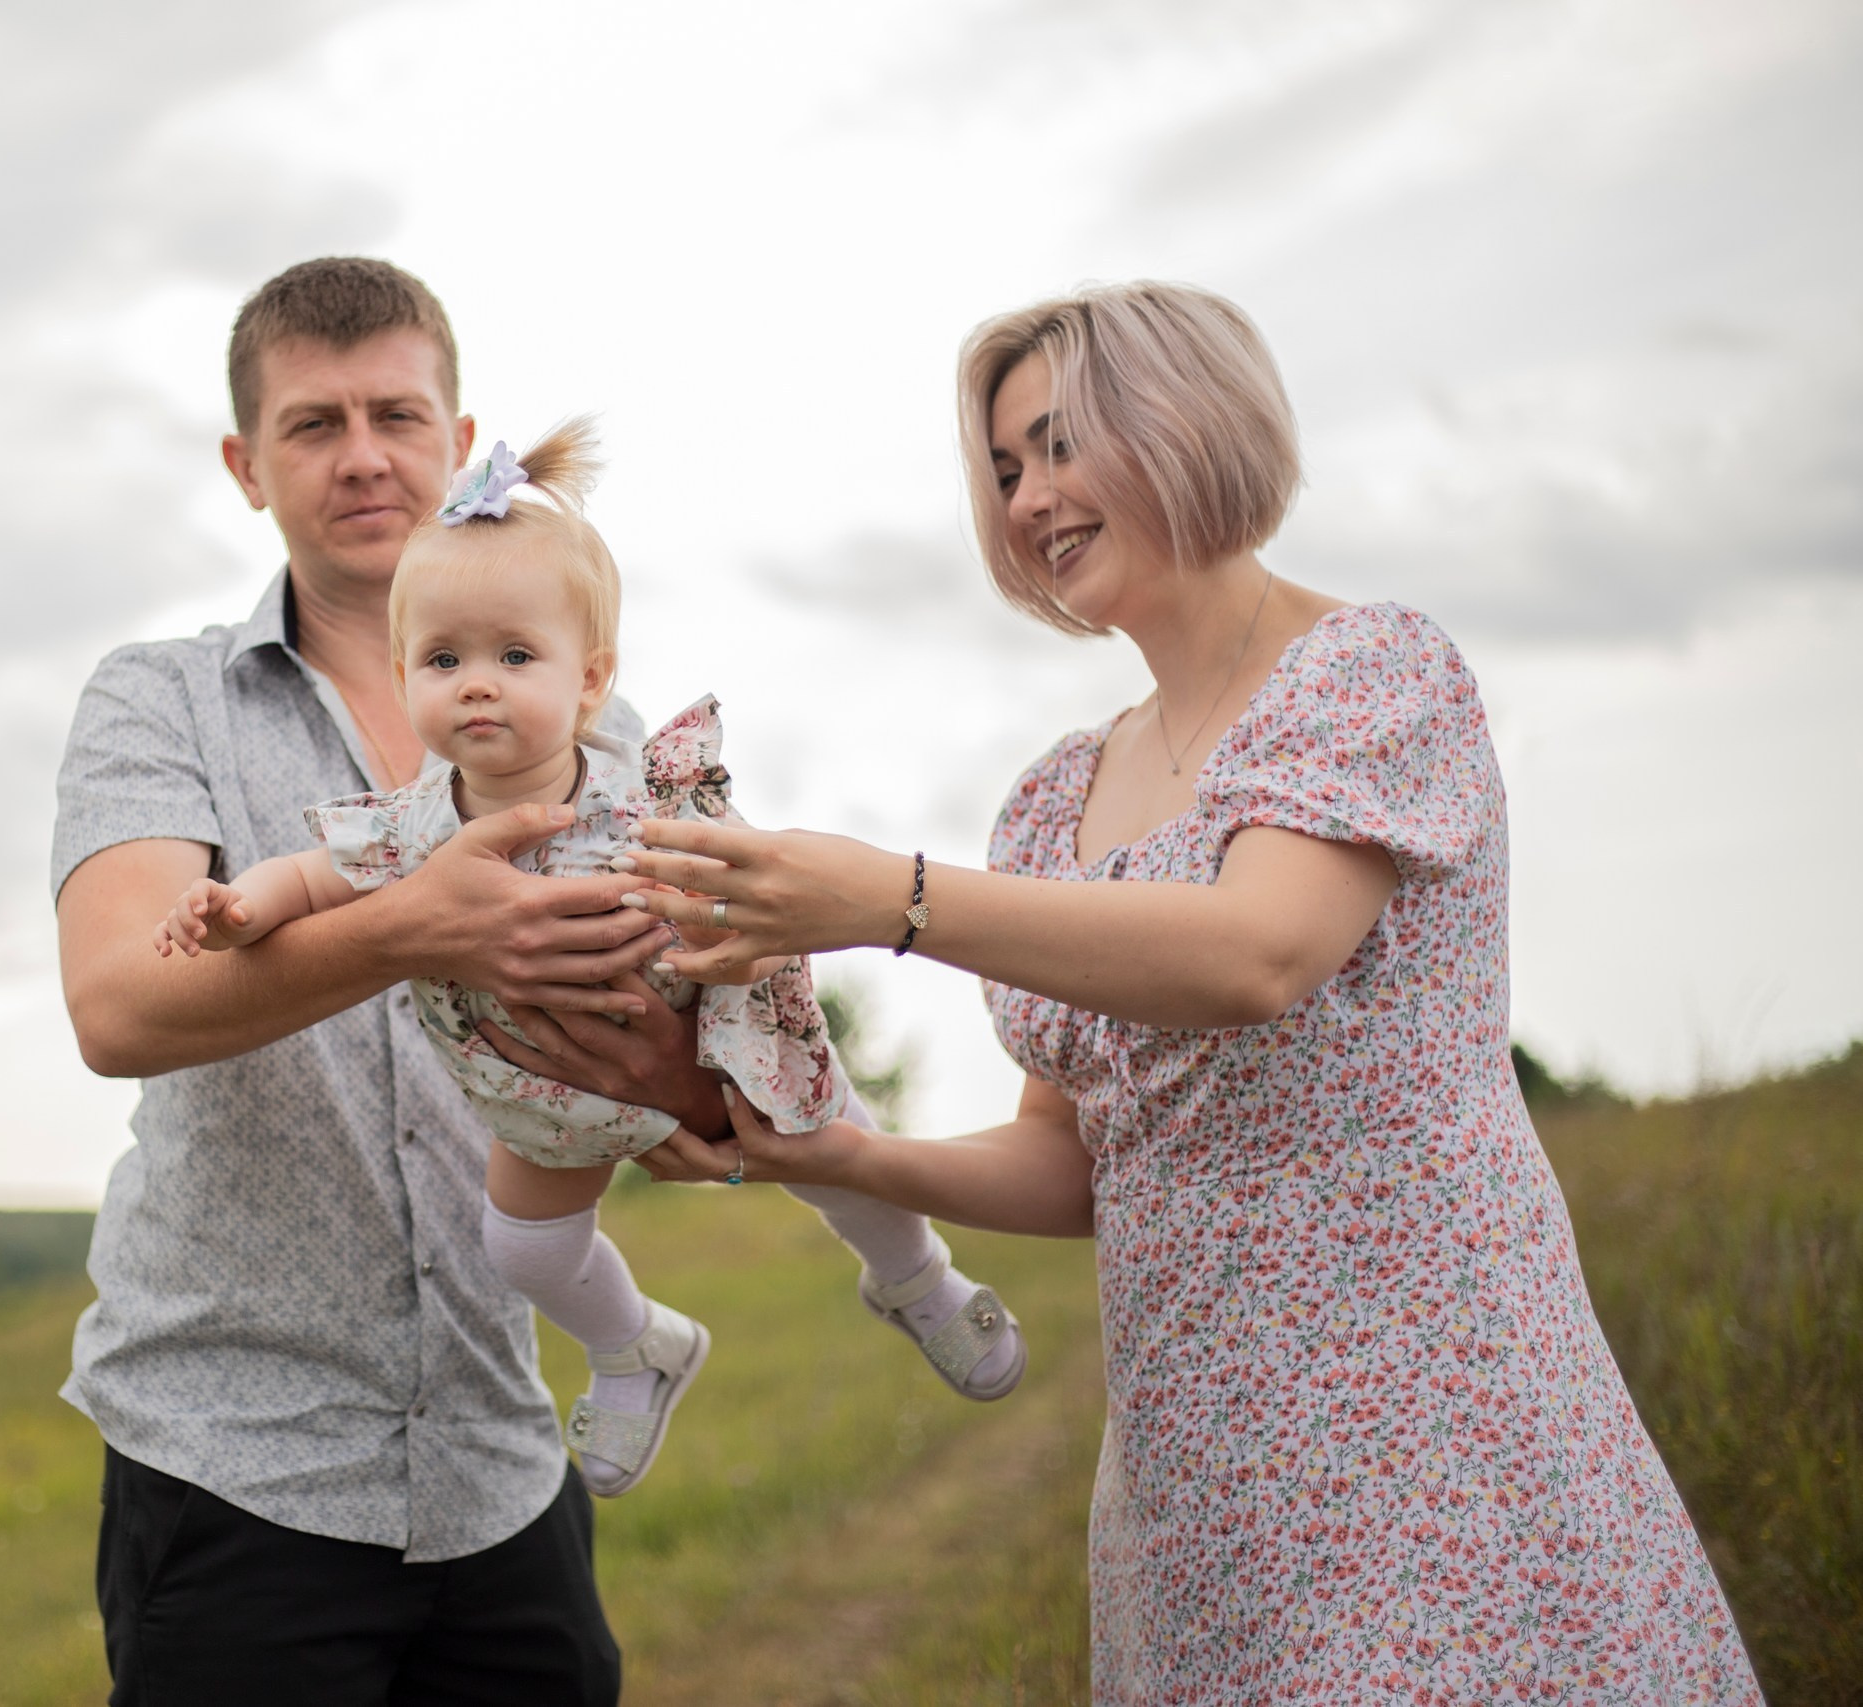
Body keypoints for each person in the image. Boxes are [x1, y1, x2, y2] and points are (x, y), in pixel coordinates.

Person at [612, 283, 1762, 1700]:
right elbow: (1079, 1152)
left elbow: (1255, 954)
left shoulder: (1369, 673)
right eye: (1005, 469)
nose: (1032, 496)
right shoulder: (1054, 796)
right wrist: (829, 1151)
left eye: (1059, 443)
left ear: (1184, 421)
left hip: (1431, 1418)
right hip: (1198, 1475)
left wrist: (889, 901)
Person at [156, 418, 1026, 1499]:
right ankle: (632, 1345)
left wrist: (742, 946)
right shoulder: (411, 829)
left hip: (720, 1029)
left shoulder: (648, 793)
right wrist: (237, 908)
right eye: (443, 659)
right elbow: (307, 881)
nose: (477, 683)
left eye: (514, 656)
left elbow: (759, 878)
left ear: (588, 679)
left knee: (840, 1149)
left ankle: (915, 1278)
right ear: (402, 675)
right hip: (546, 1086)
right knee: (520, 1249)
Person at [53, 258, 682, 1705]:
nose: (362, 456)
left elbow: (647, 1014)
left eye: (398, 413)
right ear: (245, 465)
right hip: (235, 1462)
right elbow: (119, 1007)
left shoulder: (599, 726)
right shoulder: (161, 698)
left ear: (461, 443)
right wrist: (419, 923)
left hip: (499, 1455)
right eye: (312, 424)